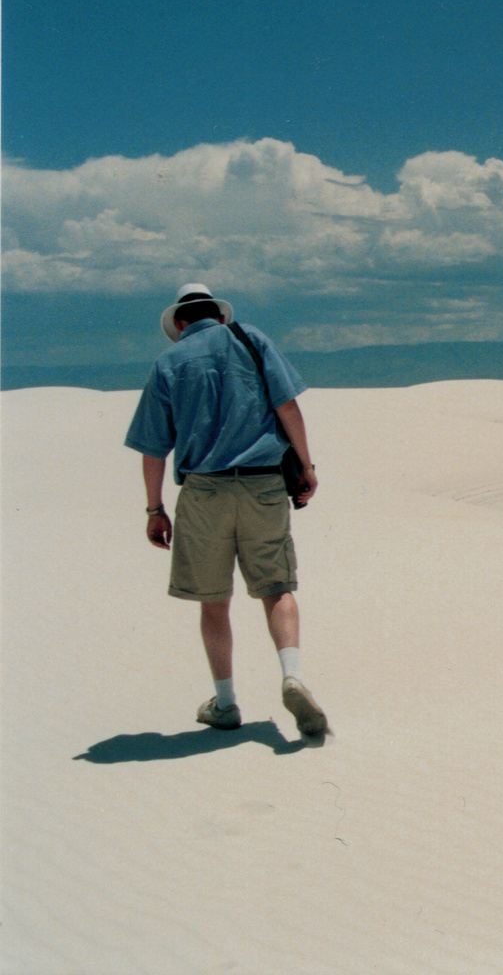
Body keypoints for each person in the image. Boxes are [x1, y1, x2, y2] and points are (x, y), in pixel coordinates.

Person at [125, 283, 329, 738]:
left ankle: (225, 702)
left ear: (179, 323)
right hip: (262, 486)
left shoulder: (168, 362)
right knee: (277, 587)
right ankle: (291, 675)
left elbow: (153, 448)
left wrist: (154, 509)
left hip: (204, 492)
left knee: (214, 601)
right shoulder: (251, 339)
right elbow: (288, 405)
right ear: (218, 316)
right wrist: (307, 467)